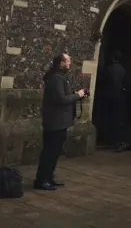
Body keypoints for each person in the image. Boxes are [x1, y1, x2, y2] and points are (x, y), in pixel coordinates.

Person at [34, 53, 86, 191]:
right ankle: (41, 180)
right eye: (68, 61)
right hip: (55, 122)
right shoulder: (57, 78)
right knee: (49, 152)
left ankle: (48, 177)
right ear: (61, 63)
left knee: (55, 151)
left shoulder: (61, 77)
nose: (70, 63)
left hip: (60, 122)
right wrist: (78, 95)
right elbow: (61, 99)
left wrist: (74, 93)